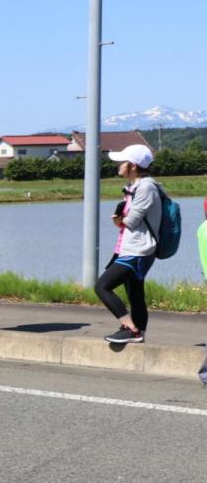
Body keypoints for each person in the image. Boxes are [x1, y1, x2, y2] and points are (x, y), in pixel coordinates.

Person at [96, 144, 160, 343]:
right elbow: (126, 221)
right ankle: (139, 334)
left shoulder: (146, 187)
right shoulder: (135, 187)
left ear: (133, 165)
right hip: (132, 247)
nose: (118, 165)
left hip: (138, 250)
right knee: (135, 294)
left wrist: (119, 218)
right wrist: (121, 218)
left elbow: (130, 221)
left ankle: (130, 328)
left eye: (122, 162)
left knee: (102, 286)